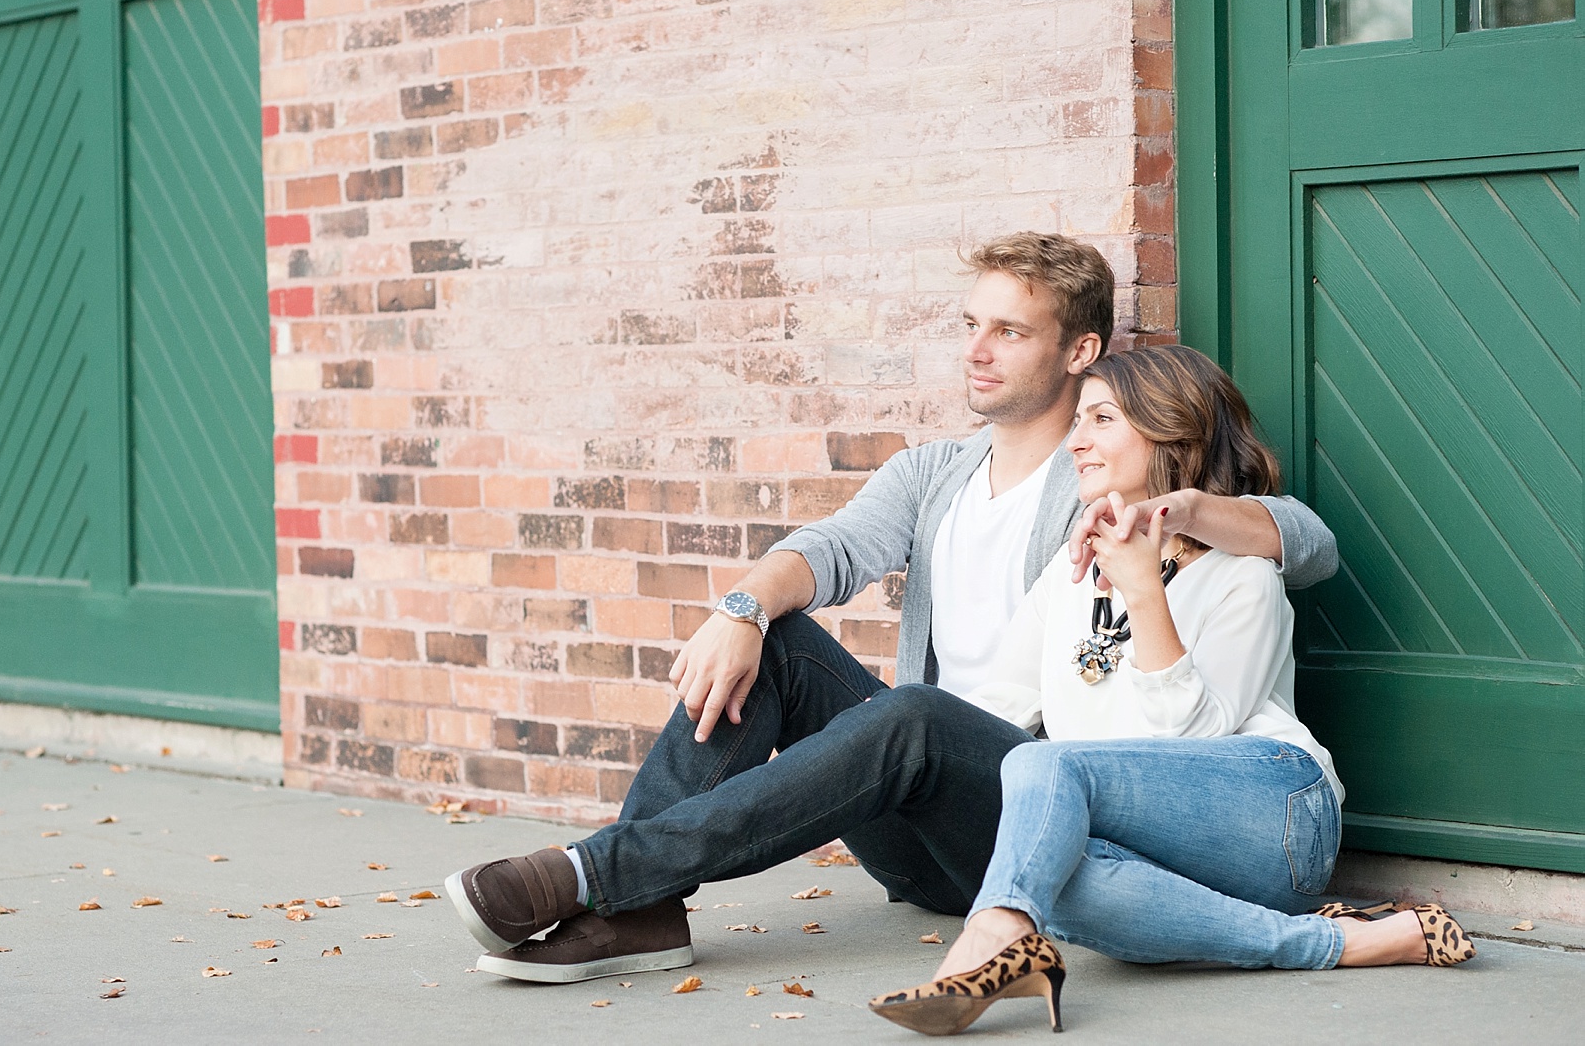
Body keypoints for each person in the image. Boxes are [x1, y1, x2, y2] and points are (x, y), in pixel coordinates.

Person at [445, 232, 1339, 983]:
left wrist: (1178, 512)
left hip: (1024, 815)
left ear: (1079, 351)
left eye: (1008, 330)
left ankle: (599, 873)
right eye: (970, 325)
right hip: (921, 807)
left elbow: (1301, 539)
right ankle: (641, 906)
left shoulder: (1109, 485)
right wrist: (744, 607)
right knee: (785, 643)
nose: (975, 350)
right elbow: (831, 548)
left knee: (913, 716)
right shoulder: (932, 475)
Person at [867, 346, 1473, 1038]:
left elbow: (1190, 743)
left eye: (1100, 418)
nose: (1077, 439)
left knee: (1042, 765)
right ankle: (1339, 942)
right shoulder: (1071, 575)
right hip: (1157, 847)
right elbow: (994, 712)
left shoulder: (1244, 575)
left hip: (1277, 814)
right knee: (1054, 874)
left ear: (1170, 433)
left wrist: (1145, 591)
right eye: (1078, 421)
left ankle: (989, 940)